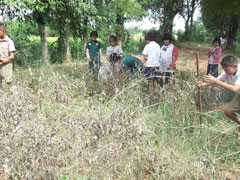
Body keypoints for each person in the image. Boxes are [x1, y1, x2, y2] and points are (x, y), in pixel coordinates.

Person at [196, 56, 240, 130]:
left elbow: (234, 89)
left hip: (237, 92)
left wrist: (216, 81)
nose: (225, 72)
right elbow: (216, 81)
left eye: (227, 70)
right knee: (228, 111)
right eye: (224, 70)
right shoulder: (228, 71)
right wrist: (202, 84)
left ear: (235, 66)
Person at [0, 24, 16, 89]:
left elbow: (12, 56)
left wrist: (3, 60)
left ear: (3, 30)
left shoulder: (9, 41)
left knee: (9, 82)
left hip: (6, 66)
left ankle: (15, 96)